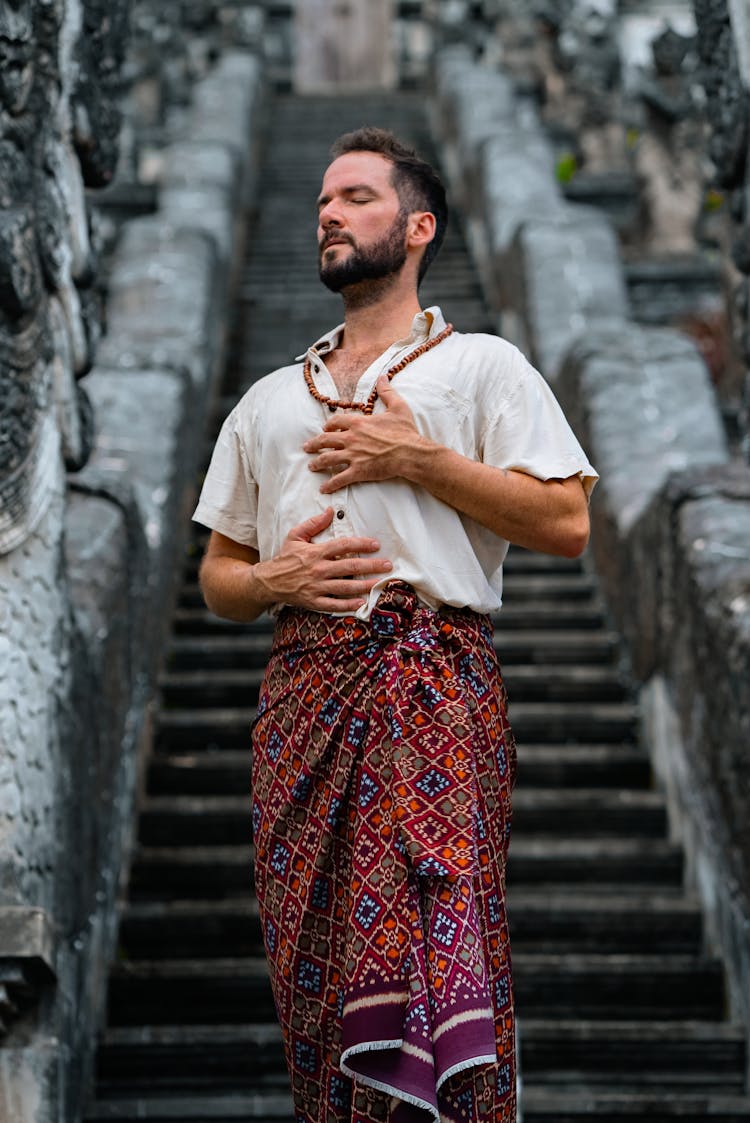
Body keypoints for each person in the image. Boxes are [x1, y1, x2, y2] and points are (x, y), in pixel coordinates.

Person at [193, 127, 597, 1123]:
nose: (328, 212)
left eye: (356, 197)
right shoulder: (265, 401)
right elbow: (217, 575)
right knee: (312, 973)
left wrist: (419, 462)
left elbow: (570, 522)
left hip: (438, 688)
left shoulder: (486, 370)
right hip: (306, 699)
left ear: (418, 227)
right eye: (323, 199)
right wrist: (275, 575)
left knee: (443, 940)